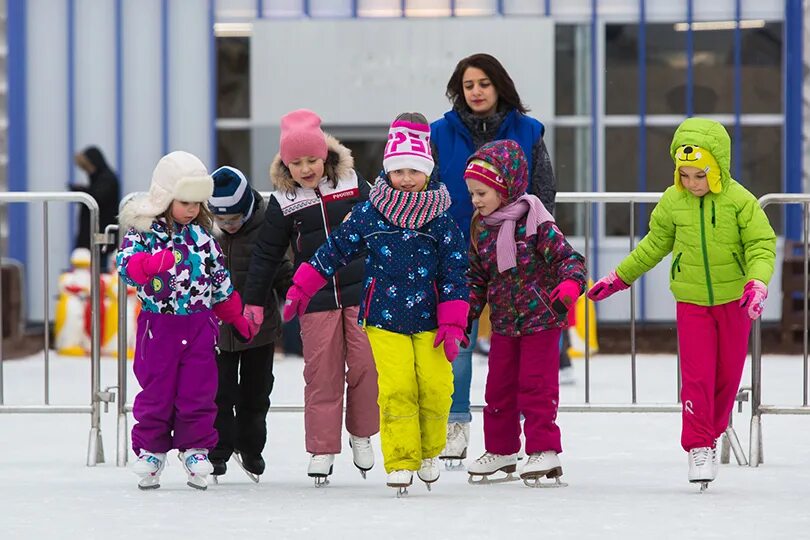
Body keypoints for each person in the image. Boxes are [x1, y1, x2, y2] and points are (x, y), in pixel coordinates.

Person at [283, 113, 469, 493]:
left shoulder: (441, 220)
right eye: (397, 170)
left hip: (431, 320)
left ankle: (429, 451)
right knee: (397, 387)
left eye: (413, 171)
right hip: (383, 317)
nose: (404, 179)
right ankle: (401, 458)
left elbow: (455, 272)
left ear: (428, 172)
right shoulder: (371, 212)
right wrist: (303, 286)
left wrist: (453, 322)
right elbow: (335, 249)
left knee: (435, 386)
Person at [587, 118, 776, 489]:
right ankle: (698, 445)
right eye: (684, 174)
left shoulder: (741, 201)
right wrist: (619, 278)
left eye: (699, 176)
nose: (691, 183)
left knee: (726, 376)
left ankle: (714, 429)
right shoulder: (673, 202)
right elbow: (653, 245)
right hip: (691, 301)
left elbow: (761, 245)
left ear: (718, 168)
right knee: (697, 375)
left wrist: (757, 282)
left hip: (735, 302)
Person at [430, 53, 558, 461]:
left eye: (484, 83)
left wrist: (534, 241)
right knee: (460, 338)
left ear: (499, 85)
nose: (477, 91)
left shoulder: (528, 130)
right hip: (455, 250)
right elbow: (427, 189)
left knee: (517, 349)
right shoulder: (439, 133)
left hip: (515, 255)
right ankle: (456, 422)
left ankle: (524, 436)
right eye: (469, 85)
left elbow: (543, 191)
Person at [242, 109, 379, 485]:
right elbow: (267, 254)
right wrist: (253, 300)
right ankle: (322, 447)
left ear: (326, 156)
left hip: (361, 292)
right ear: (286, 164)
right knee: (322, 373)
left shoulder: (351, 182)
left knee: (367, 366)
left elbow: (380, 226)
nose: (306, 169)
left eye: (312, 160)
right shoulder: (284, 200)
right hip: (315, 297)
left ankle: (362, 433)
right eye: (296, 162)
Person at [116, 151, 254, 491]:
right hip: (158, 327)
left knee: (199, 390)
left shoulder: (203, 239)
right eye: (185, 202)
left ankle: (195, 449)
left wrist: (235, 315)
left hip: (198, 326)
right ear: (165, 197)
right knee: (157, 391)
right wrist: (148, 265)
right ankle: (151, 450)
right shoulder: (144, 233)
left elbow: (219, 281)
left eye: (197, 203)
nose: (192, 210)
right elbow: (125, 265)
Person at [462, 140, 586, 485]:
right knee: (498, 389)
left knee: (536, 386)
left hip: (541, 320)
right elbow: (476, 277)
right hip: (504, 323)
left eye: (482, 192)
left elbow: (569, 259)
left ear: (506, 187)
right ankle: (501, 450)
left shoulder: (536, 221)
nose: (475, 200)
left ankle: (543, 449)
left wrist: (570, 286)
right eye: (472, 193)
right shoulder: (481, 227)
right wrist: (464, 313)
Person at [207, 166, 293, 481]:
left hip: (260, 328)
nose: (228, 226)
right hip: (218, 329)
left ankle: (251, 447)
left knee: (256, 393)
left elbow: (282, 267)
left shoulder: (267, 226)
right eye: (222, 220)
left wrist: (296, 291)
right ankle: (216, 451)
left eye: (234, 220)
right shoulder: (206, 231)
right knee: (219, 392)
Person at [70, 146, 121, 269]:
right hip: (92, 235)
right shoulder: (99, 179)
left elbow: (98, 198)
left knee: (100, 270)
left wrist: (83, 192)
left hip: (102, 235)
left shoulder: (107, 179)